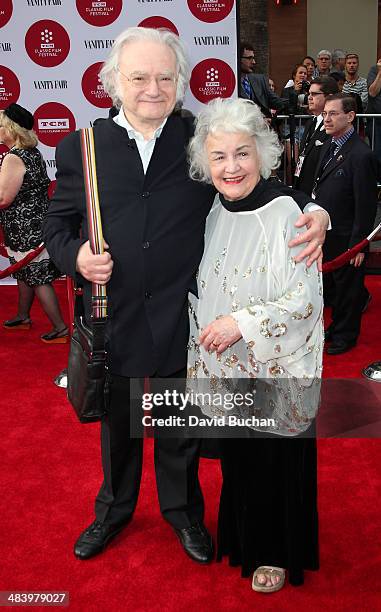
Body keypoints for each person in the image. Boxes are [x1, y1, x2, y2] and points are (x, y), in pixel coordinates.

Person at [43, 26, 329, 564]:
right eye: (139, 77)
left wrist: (317, 210)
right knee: (119, 428)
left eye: (165, 77)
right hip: (116, 316)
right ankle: (113, 511)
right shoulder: (79, 147)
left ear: (179, 82)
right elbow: (57, 226)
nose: (153, 88)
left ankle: (183, 513)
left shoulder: (197, 136)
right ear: (114, 82)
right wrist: (75, 257)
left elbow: (254, 180)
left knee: (179, 428)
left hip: (184, 317)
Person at [187, 97, 323, 592]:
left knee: (273, 462)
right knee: (241, 461)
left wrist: (242, 324)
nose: (231, 167)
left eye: (242, 154)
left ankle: (276, 553)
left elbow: (305, 300)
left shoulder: (286, 209)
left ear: (263, 155)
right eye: (219, 156)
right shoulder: (214, 210)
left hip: (278, 370)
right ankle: (245, 541)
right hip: (232, 371)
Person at [312, 93, 378, 354]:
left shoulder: (361, 155)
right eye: (325, 113)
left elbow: (366, 204)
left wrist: (360, 245)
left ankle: (345, 336)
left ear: (350, 117)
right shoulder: (330, 144)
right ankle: (337, 327)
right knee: (335, 289)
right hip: (328, 234)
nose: (326, 119)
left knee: (349, 290)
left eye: (333, 114)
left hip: (349, 239)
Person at [0, 103, 67, 342]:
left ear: (11, 129)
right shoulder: (31, 152)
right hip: (35, 223)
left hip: (25, 227)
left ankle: (60, 328)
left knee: (38, 279)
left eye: (1, 126)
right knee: (24, 273)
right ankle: (22, 315)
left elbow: (3, 198)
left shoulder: (13, 157)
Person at [294, 76, 339, 196]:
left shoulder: (334, 127)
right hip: (302, 186)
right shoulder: (312, 122)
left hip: (319, 193)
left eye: (314, 94)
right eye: (309, 93)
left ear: (329, 97)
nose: (309, 98)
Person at [239, 42, 287, 117]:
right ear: (238, 58)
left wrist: (298, 99)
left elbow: (276, 101)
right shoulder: (229, 83)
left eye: (253, 58)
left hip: (262, 126)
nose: (254, 62)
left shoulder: (260, 80)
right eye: (249, 58)